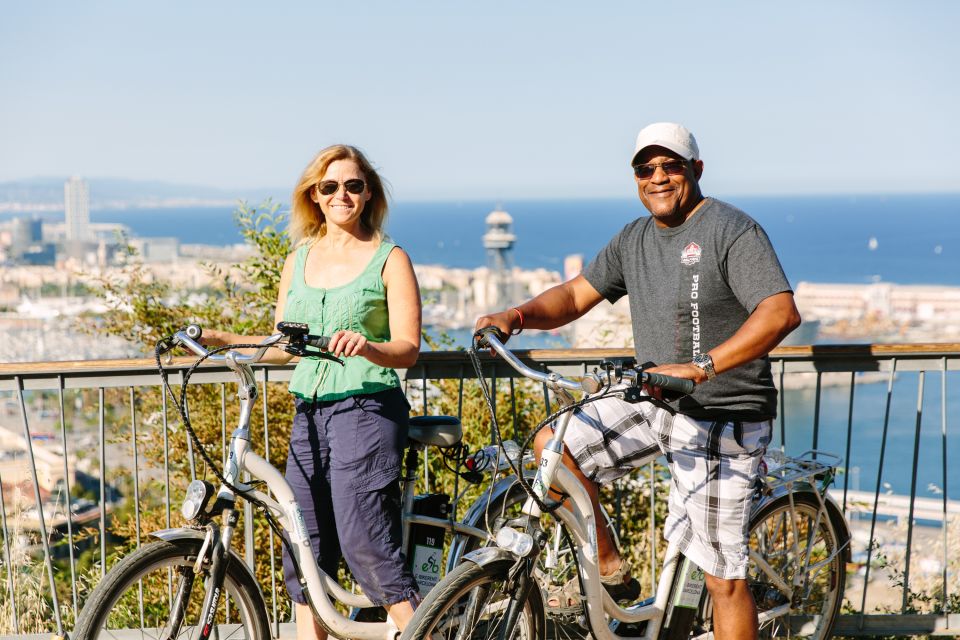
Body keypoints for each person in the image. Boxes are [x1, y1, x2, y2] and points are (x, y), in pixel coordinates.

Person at [475, 122, 800, 640]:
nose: (658, 177)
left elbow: (780, 312)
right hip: (654, 404)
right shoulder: (635, 238)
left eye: (670, 165)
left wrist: (702, 367)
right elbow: (576, 295)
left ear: (695, 169)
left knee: (722, 579)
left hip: (723, 414)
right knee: (553, 449)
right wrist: (515, 316)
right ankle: (610, 566)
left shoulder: (732, 230)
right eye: (645, 168)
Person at [202, 144, 423, 639]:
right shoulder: (299, 258)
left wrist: (369, 348)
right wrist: (226, 341)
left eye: (353, 185)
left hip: (367, 410)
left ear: (368, 194)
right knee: (304, 546)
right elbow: (286, 346)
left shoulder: (389, 259)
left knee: (366, 542)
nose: (342, 194)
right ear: (314, 196)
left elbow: (408, 349)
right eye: (330, 186)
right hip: (310, 414)